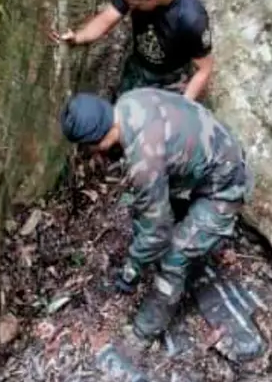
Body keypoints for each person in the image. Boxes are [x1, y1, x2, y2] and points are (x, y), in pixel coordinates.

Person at [59, 89, 250, 340]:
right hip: (217, 154)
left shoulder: (145, 159)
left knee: (174, 256)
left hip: (226, 187)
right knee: (149, 209)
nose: (92, 152)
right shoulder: (130, 101)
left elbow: (157, 232)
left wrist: (132, 271)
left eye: (89, 147)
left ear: (100, 140)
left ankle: (143, 333)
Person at [52, 0, 213, 101]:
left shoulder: (191, 19)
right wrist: (78, 37)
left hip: (170, 80)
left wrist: (183, 104)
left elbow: (204, 70)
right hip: (138, 67)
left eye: (135, 4)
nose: (130, 6)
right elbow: (107, 18)